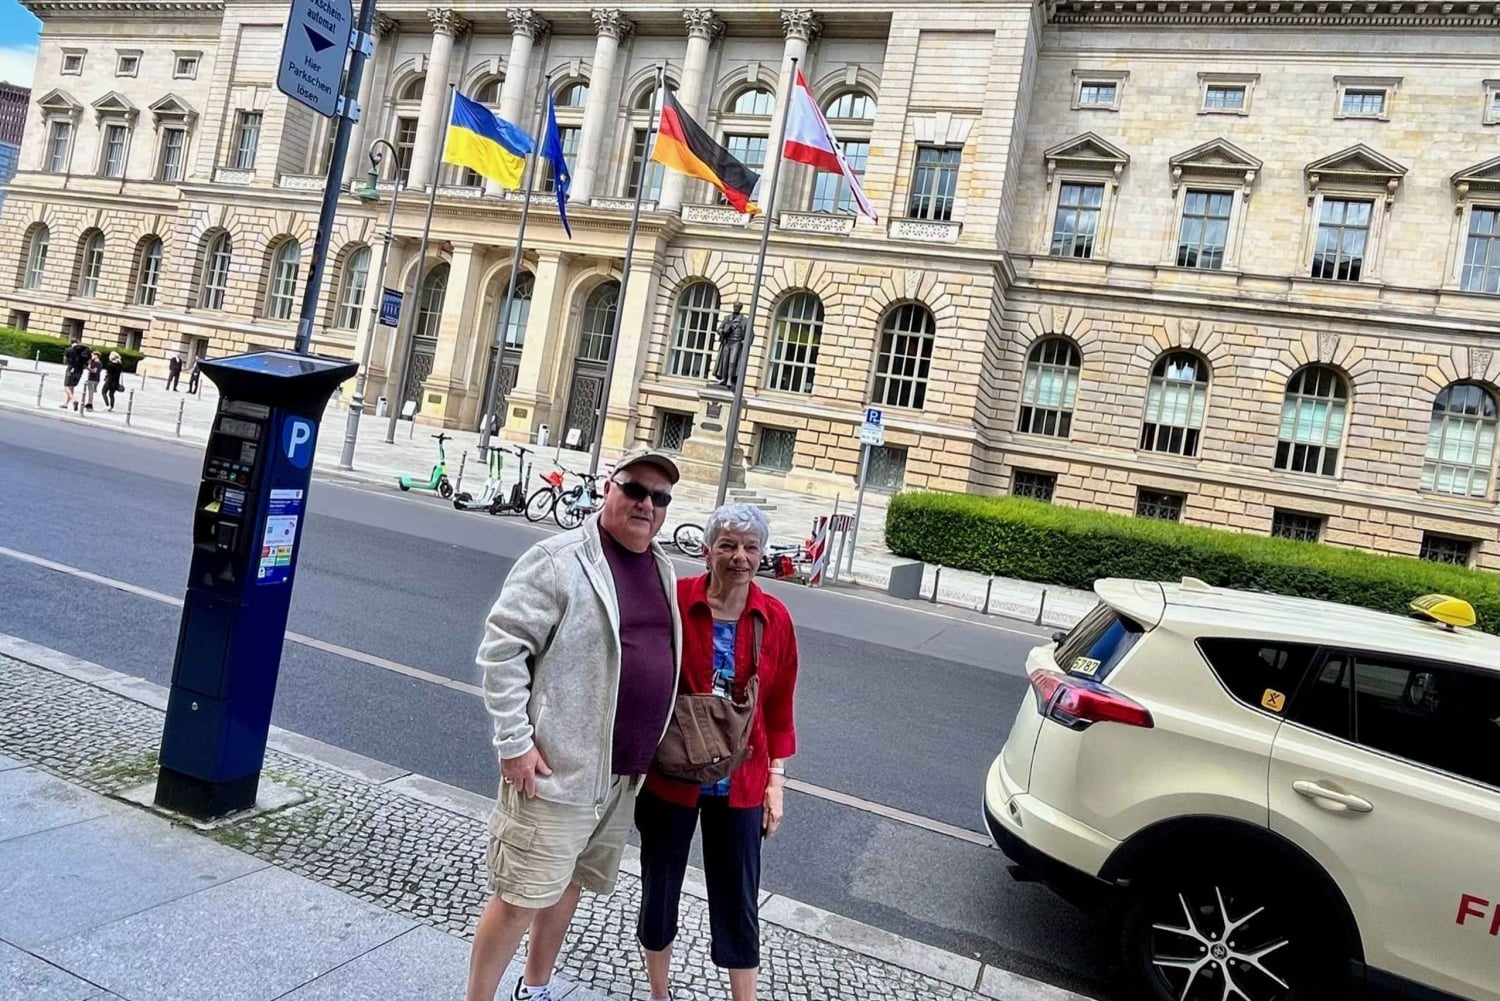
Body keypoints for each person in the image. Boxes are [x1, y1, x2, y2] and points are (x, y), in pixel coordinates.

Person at [468, 447, 684, 1001]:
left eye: (660, 497)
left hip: (620, 777)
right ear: (609, 487)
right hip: (556, 772)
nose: (647, 504)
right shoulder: (558, 559)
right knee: (519, 898)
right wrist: (514, 743)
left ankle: (535, 988)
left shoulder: (661, 567)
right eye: (635, 489)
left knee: (568, 884)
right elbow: (502, 651)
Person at [636, 503, 800, 1001]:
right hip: (671, 774)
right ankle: (659, 993)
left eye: (750, 547)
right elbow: (641, 674)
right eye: (727, 545)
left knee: (738, 899)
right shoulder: (676, 601)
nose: (739, 557)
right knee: (660, 889)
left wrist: (776, 781)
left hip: (742, 781)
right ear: (706, 552)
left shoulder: (774, 617)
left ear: (762, 555)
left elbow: (779, 705)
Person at [61, 335, 89, 410]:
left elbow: (64, 361)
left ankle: (74, 401)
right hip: (79, 371)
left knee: (66, 387)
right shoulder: (83, 350)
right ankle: (66, 403)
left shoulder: (68, 350)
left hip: (71, 369)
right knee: (71, 387)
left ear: (71, 342)